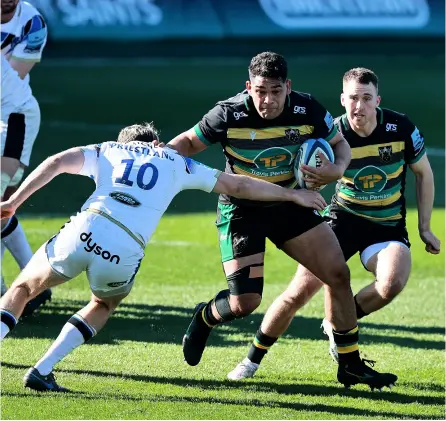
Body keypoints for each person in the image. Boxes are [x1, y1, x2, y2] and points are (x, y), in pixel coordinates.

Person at [0, 122, 328, 392]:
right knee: (103, 303)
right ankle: (43, 369)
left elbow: (57, 162)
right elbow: (238, 186)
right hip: (125, 247)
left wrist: (14, 201)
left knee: (23, 288)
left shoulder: (108, 150)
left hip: (87, 227)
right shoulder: (176, 162)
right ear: (157, 142)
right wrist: (291, 194)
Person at [167, 52, 397, 390]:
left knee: (337, 274)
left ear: (288, 87)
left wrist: (334, 170)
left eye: (276, 91)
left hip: (292, 204)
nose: (268, 100)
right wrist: (162, 154)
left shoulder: (307, 109)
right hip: (242, 210)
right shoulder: (229, 112)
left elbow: (340, 144)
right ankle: (204, 317)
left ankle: (350, 364)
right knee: (244, 303)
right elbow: (188, 141)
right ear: (248, 87)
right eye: (260, 91)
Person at [227, 67, 441, 382]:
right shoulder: (331, 136)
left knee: (391, 283)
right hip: (342, 221)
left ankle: (336, 326)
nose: (359, 106)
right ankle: (250, 361)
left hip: (387, 227)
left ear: (377, 100)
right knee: (297, 294)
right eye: (353, 98)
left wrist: (425, 227)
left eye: (366, 98)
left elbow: (424, 172)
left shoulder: (400, 128)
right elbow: (305, 177)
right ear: (343, 100)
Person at [1, 0, 51, 315]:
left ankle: (18, 292)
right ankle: (30, 286)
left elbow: (15, 75)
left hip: (14, 116)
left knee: (2, 199)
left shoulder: (33, 24)